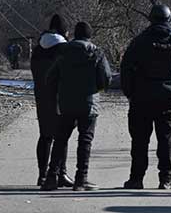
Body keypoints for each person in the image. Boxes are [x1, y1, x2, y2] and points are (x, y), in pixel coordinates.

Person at [120, 4, 171, 190]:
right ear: (169, 19)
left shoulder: (139, 41)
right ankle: (166, 179)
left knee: (139, 141)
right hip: (170, 100)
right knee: (167, 140)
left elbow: (125, 68)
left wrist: (130, 92)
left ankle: (136, 179)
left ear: (151, 19)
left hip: (141, 99)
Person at [41, 22, 112, 191]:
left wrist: (58, 93)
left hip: (67, 102)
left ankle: (51, 178)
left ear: (75, 34)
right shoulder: (97, 52)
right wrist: (97, 89)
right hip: (89, 103)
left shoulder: (63, 52)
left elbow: (50, 78)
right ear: (89, 36)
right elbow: (106, 78)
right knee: (85, 140)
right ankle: (81, 179)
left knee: (60, 139)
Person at [29, 14, 74, 187]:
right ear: (64, 31)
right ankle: (60, 173)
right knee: (62, 136)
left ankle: (42, 175)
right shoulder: (65, 49)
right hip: (60, 97)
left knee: (45, 136)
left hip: (41, 96)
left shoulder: (38, 49)